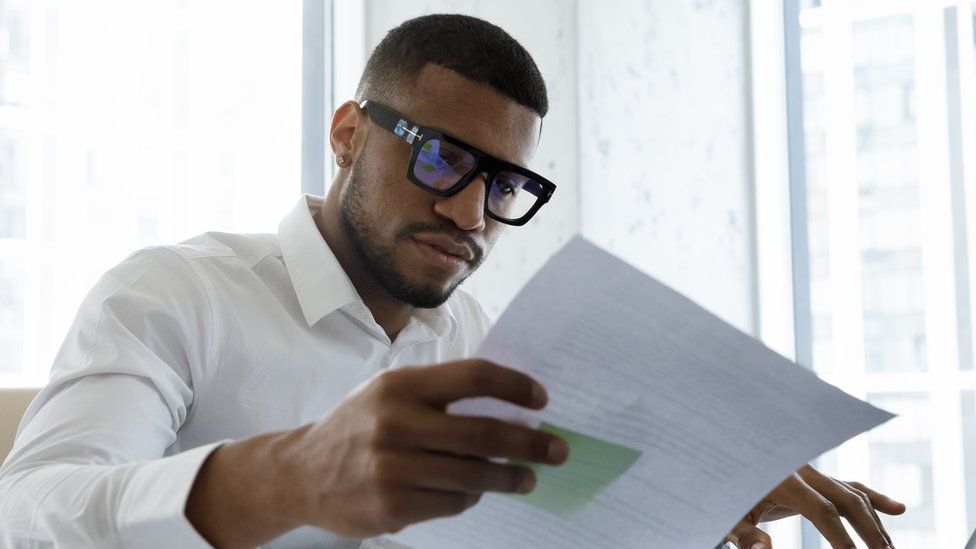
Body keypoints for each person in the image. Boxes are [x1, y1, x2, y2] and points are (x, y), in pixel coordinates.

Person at [0, 14, 904, 549]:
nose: (472, 217)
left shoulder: (480, 336)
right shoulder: (172, 295)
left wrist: (693, 495)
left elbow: (546, 515)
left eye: (506, 185)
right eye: (441, 159)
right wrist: (290, 475)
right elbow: (28, 513)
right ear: (350, 133)